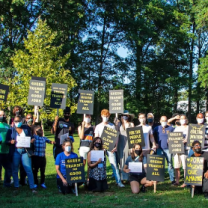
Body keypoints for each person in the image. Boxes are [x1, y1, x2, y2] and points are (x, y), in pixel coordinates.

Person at [94, 109, 125, 187]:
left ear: (109, 116)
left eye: (107, 116)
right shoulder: (98, 126)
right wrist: (98, 148)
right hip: (101, 149)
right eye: (104, 116)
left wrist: (115, 147)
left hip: (111, 148)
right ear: (101, 116)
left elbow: (116, 137)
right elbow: (96, 138)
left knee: (114, 165)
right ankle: (100, 181)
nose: (106, 117)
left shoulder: (112, 126)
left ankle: (118, 181)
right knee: (100, 165)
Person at [6, 116, 37, 193]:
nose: (17, 123)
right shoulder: (11, 130)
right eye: (15, 121)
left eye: (18, 121)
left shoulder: (26, 129)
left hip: (25, 151)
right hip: (15, 151)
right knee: (15, 170)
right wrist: (10, 142)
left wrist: (32, 140)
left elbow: (31, 137)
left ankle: (32, 187)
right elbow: (7, 141)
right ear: (13, 122)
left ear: (21, 121)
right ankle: (16, 186)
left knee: (28, 169)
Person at [153, 116, 175, 184]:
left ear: (167, 120)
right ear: (160, 121)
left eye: (165, 120)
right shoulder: (156, 128)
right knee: (159, 164)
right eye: (162, 120)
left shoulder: (171, 128)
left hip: (168, 149)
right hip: (159, 149)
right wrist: (155, 143)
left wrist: (171, 140)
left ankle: (172, 179)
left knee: (170, 164)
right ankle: (158, 178)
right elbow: (152, 137)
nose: (164, 122)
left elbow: (176, 137)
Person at [117, 110, 134, 181]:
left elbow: (133, 134)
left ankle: (128, 177)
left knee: (127, 159)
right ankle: (121, 177)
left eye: (126, 115)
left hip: (128, 143)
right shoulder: (119, 124)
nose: (125, 117)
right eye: (123, 115)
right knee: (121, 160)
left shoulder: (131, 124)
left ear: (129, 116)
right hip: (120, 144)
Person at [173, 115, 189, 187]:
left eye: (184, 118)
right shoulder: (177, 128)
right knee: (177, 166)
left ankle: (185, 182)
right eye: (181, 119)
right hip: (177, 149)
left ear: (186, 120)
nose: (183, 120)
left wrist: (185, 140)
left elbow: (190, 138)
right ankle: (177, 181)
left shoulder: (189, 128)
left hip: (185, 149)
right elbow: (173, 137)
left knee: (185, 166)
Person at [0, 110, 12, 187]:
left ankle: (7, 183)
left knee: (9, 169)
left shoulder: (8, 126)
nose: (2, 116)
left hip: (7, 151)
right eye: (1, 115)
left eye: (3, 115)